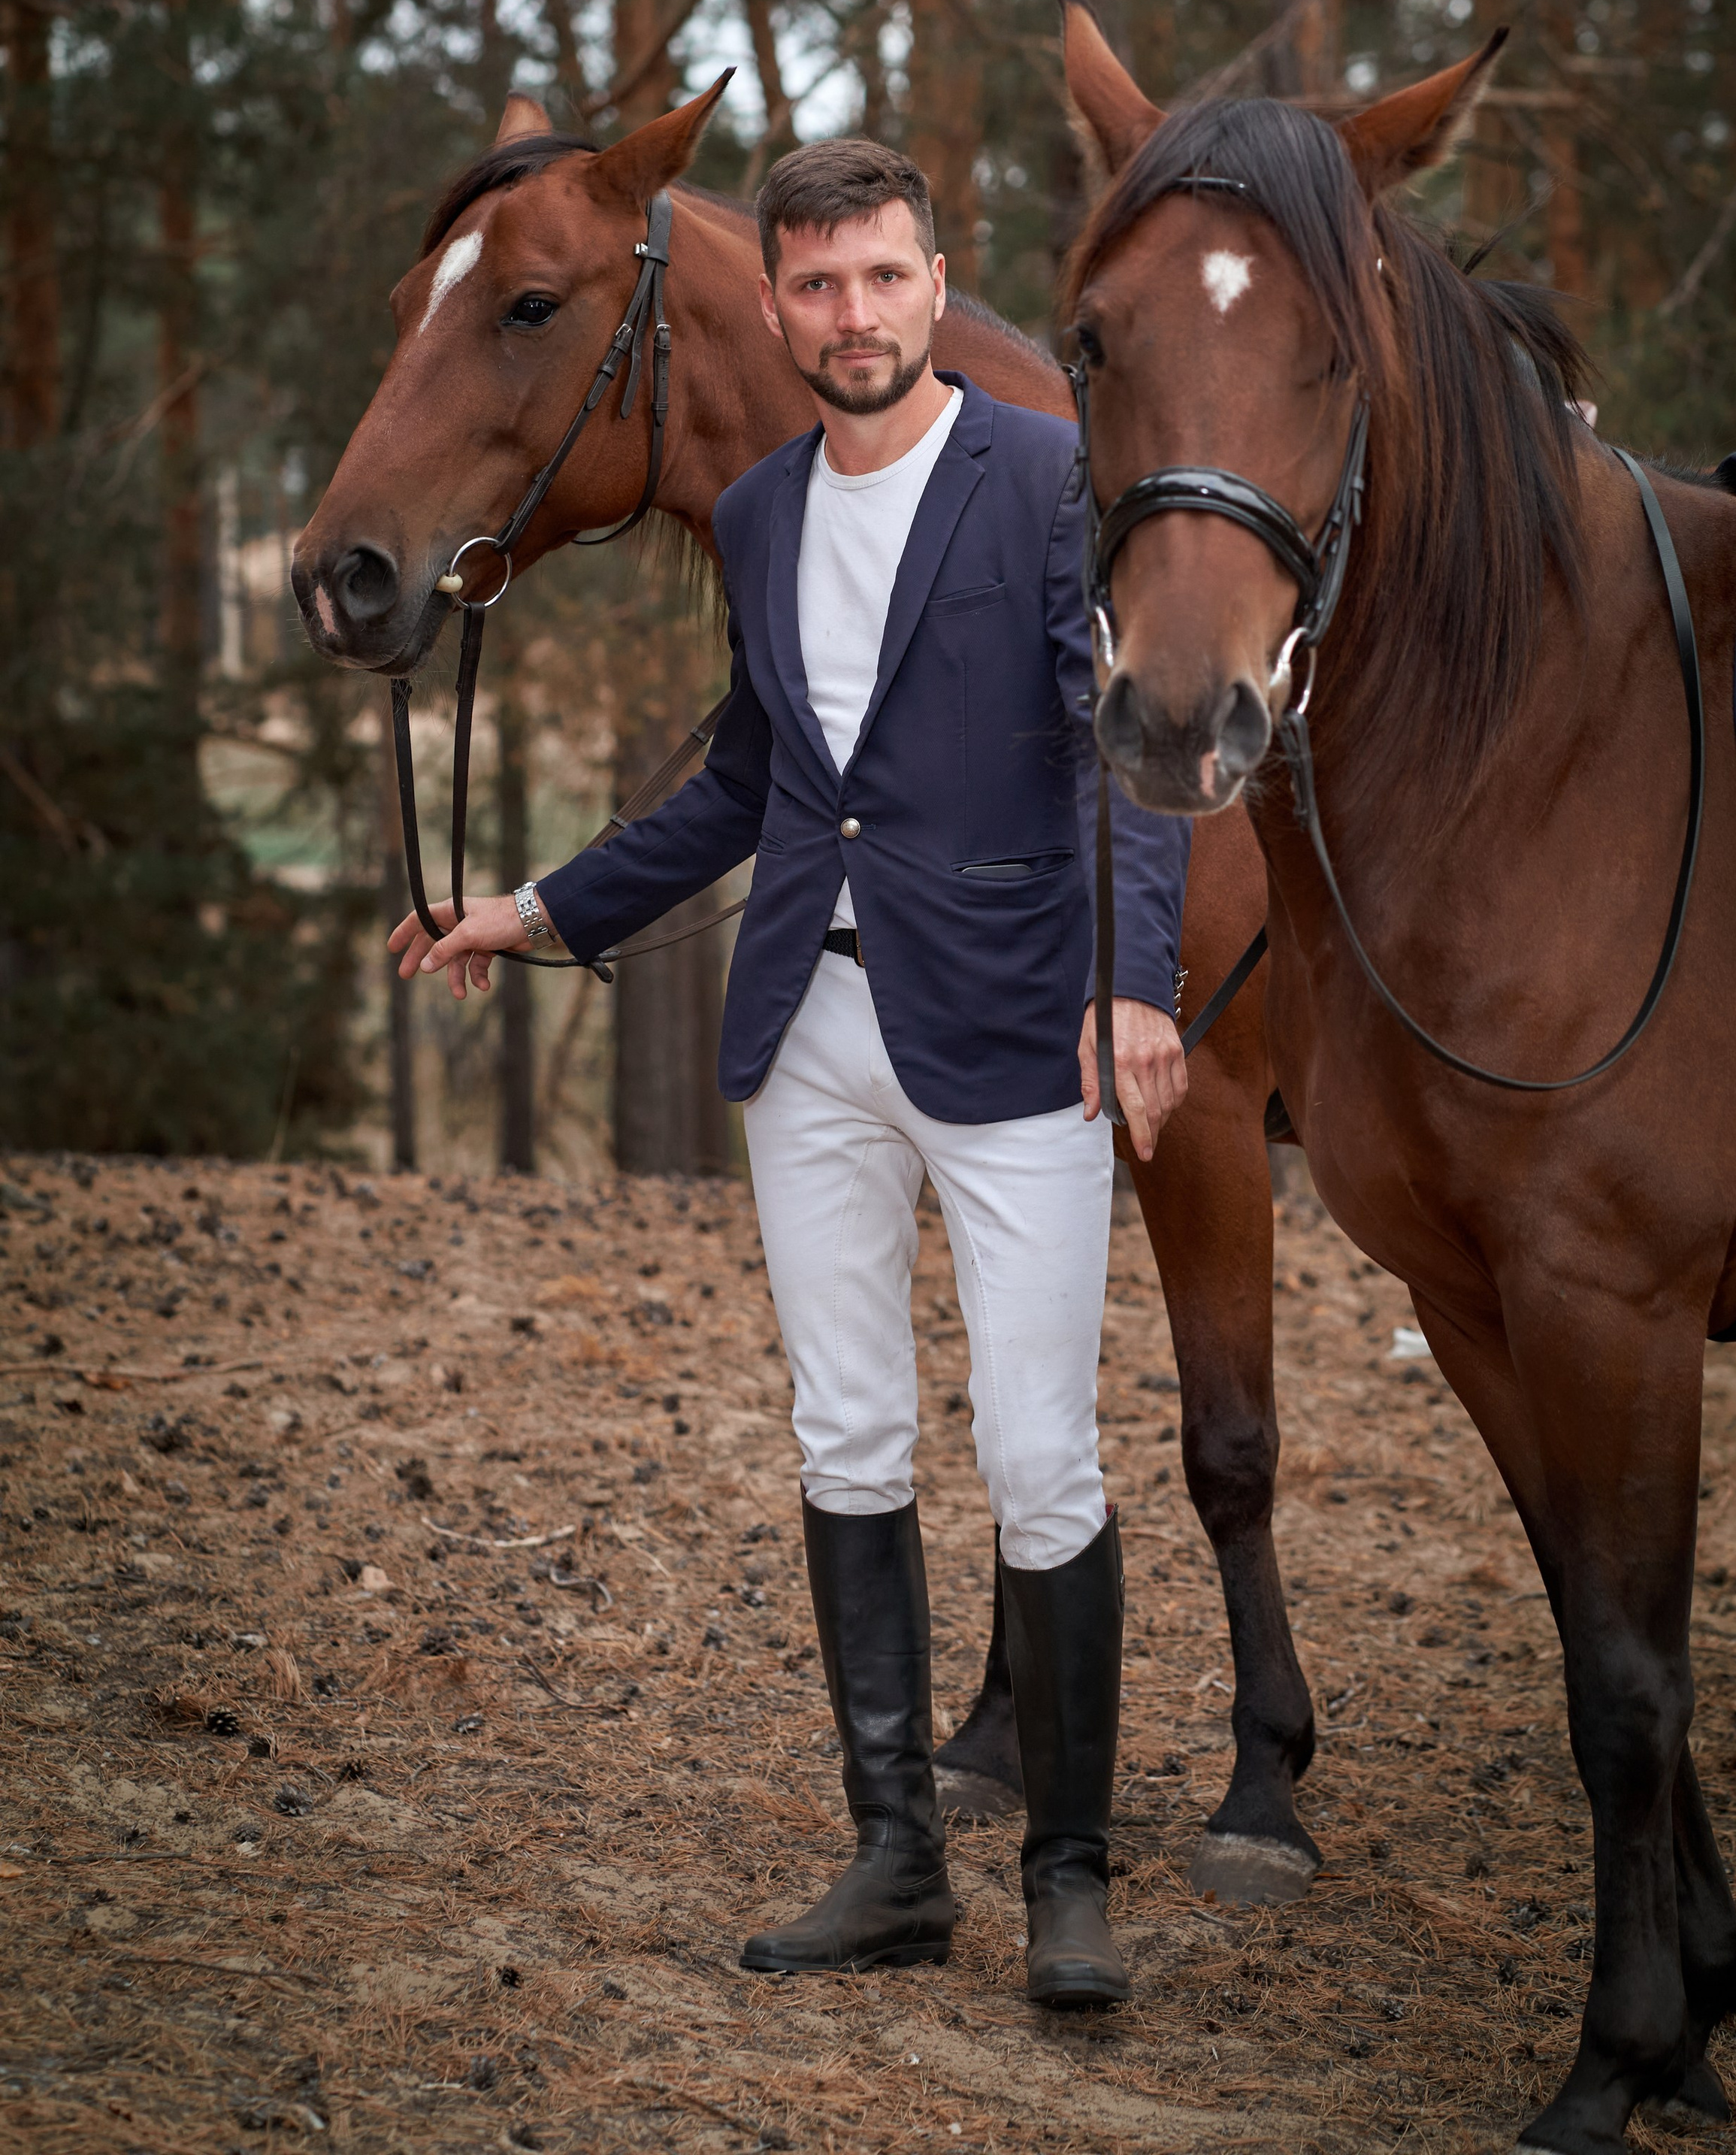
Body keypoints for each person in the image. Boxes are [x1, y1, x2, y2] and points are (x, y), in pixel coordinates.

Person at [391, 138, 1190, 2006]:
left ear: (932, 283)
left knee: (1039, 1455)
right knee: (846, 1438)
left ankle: (1065, 1881)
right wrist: (537, 910)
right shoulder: (757, 514)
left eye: (884, 279)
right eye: (817, 287)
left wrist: (1131, 986)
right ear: (779, 308)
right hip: (811, 1040)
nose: (852, 316)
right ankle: (896, 1859)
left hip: (1011, 1030)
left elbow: (1122, 756)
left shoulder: (1054, 478)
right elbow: (749, 785)